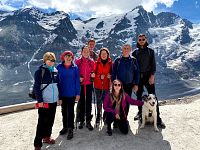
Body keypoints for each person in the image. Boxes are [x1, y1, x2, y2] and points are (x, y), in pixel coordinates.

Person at [132, 33, 166, 129]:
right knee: (139, 96)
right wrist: (135, 82)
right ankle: (140, 114)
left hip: (148, 76)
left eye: (143, 39)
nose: (142, 41)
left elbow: (153, 65)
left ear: (146, 40)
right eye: (140, 39)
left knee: (153, 96)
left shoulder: (150, 51)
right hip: (139, 77)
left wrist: (152, 76)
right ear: (138, 41)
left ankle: (158, 118)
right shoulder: (135, 53)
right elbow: (134, 68)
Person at [33, 52, 59, 150]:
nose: (50, 62)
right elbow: (36, 87)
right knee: (41, 122)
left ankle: (47, 137)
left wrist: (58, 98)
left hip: (53, 101)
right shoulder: (40, 71)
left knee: (50, 120)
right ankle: (37, 144)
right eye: (49, 59)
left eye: (52, 60)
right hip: (44, 102)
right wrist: (40, 100)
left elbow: (58, 85)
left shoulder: (55, 71)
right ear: (44, 60)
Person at [57, 51, 80, 140]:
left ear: (72, 57)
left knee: (70, 111)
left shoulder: (75, 68)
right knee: (63, 111)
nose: (68, 58)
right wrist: (59, 95)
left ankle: (70, 128)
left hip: (71, 93)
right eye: (67, 56)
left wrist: (78, 93)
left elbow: (77, 82)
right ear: (63, 57)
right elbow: (57, 82)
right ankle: (65, 127)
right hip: (62, 93)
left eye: (70, 56)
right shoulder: (59, 67)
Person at [112, 44, 140, 115]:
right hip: (119, 86)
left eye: (128, 48)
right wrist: (113, 85)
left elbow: (137, 73)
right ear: (122, 49)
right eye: (125, 48)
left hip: (129, 85)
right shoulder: (117, 60)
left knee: (127, 102)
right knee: (118, 102)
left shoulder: (134, 60)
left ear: (130, 50)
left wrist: (136, 84)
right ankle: (116, 120)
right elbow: (113, 73)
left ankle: (124, 118)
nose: (126, 50)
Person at [75, 45, 95, 131]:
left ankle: (88, 121)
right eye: (84, 51)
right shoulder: (78, 62)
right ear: (82, 52)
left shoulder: (92, 62)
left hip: (89, 84)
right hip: (81, 84)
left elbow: (94, 72)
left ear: (89, 52)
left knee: (89, 102)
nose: (86, 53)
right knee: (81, 102)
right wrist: (79, 78)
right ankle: (81, 120)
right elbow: (75, 74)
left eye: (87, 51)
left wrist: (93, 76)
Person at [94, 47, 112, 124]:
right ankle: (98, 115)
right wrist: (99, 76)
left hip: (107, 86)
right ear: (100, 55)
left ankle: (105, 115)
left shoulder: (111, 63)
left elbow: (113, 74)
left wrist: (110, 76)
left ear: (108, 55)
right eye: (102, 54)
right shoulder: (96, 63)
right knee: (98, 102)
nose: (104, 55)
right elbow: (93, 75)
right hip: (97, 86)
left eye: (105, 54)